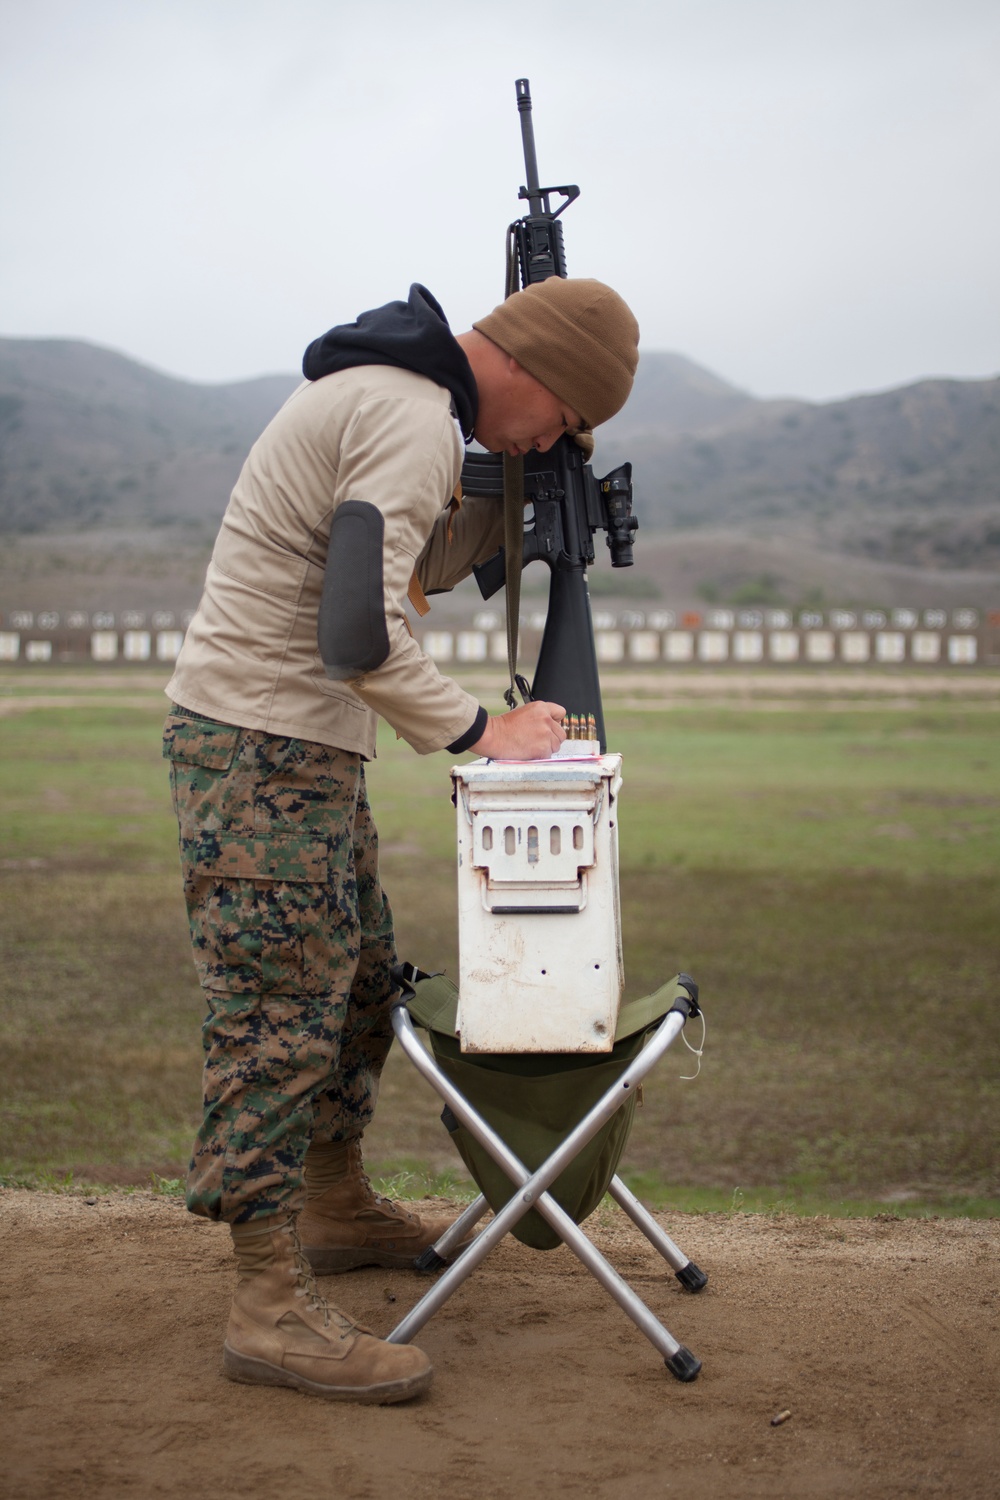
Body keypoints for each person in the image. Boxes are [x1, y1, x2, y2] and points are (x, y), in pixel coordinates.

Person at [163, 276, 639, 1403]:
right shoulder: (412, 414)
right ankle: (265, 1308)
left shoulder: (401, 399)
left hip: (298, 747)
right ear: (533, 370)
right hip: (260, 747)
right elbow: (358, 626)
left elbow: (378, 573)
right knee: (278, 1014)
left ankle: (330, 1201)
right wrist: (486, 730)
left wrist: (508, 515)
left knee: (364, 977)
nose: (553, 441)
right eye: (567, 420)